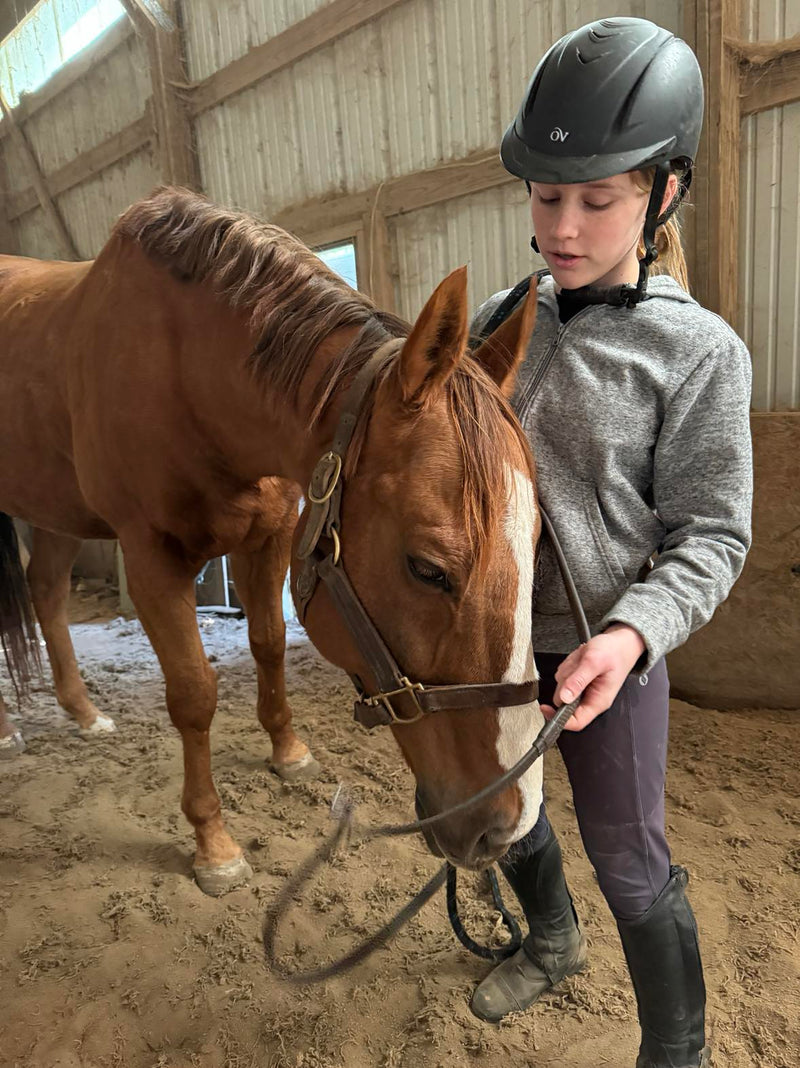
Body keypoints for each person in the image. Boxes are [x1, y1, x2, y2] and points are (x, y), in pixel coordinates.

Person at [467, 17, 753, 1068]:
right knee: (496, 808)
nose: (564, 226)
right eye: (546, 197)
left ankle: (673, 1050)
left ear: (661, 193)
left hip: (604, 656)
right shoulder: (500, 318)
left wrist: (630, 637)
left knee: (628, 859)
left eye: (597, 200)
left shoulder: (697, 355)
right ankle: (548, 935)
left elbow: (711, 536)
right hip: (491, 645)